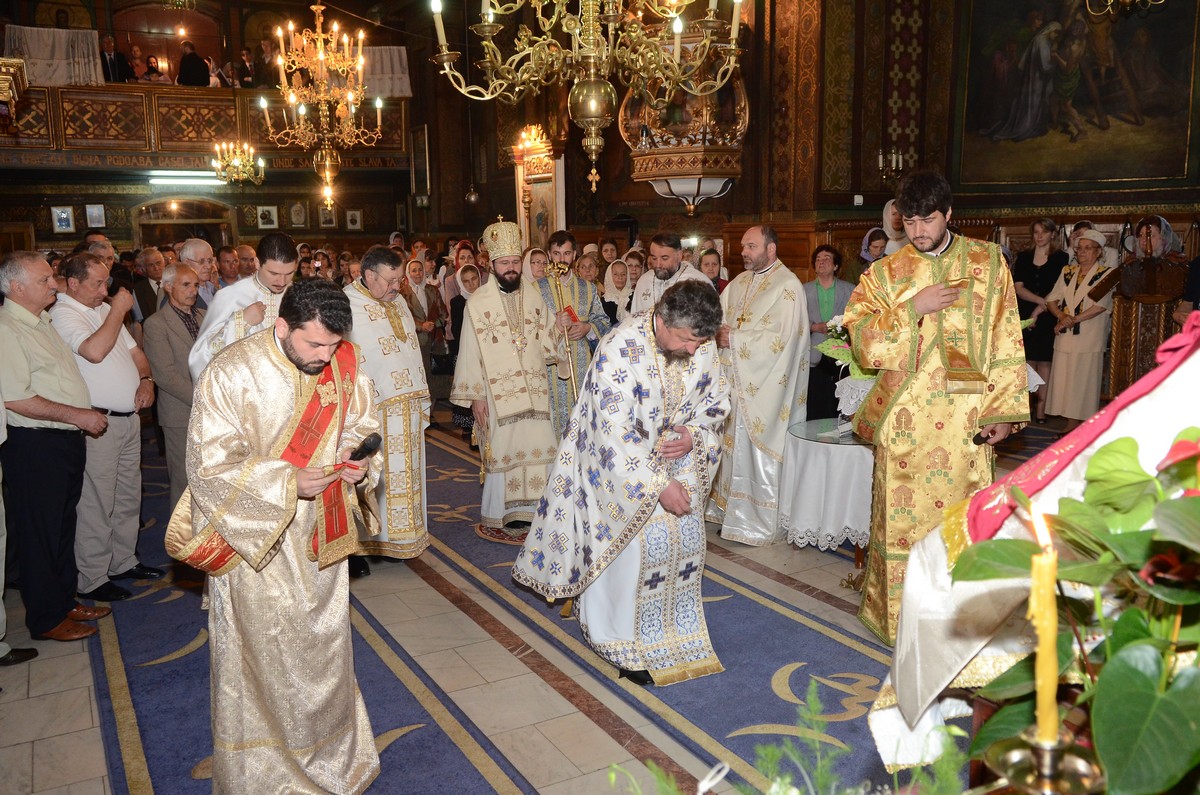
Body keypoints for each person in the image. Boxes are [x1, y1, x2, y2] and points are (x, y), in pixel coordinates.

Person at [167, 278, 379, 792]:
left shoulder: (342, 361)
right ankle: (266, 776)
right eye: (314, 345)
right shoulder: (231, 373)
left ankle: (334, 760)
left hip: (319, 537)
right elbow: (208, 468)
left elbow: (361, 422)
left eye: (334, 345)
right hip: (256, 544)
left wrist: (359, 463)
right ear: (281, 326)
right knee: (265, 656)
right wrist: (287, 481)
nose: (327, 357)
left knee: (323, 651)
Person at [512, 281, 731, 686]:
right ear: (662, 321)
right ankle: (618, 637)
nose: (693, 350)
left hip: (680, 462)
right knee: (629, 558)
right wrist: (656, 484)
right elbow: (609, 432)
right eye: (686, 340)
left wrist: (694, 435)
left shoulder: (700, 343)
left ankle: (670, 632)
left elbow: (716, 403)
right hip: (620, 475)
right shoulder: (619, 347)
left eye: (701, 343)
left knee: (680, 550)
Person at [842, 171, 1029, 645]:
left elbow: (1007, 338)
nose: (919, 230)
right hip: (906, 422)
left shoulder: (987, 262)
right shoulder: (887, 272)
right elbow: (861, 337)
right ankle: (900, 618)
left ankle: (960, 618)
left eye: (928, 219)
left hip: (965, 420)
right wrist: (912, 308)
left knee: (963, 520)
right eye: (910, 220)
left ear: (949, 215)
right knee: (902, 521)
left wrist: (1003, 412)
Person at [0, 252, 111, 642]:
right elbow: (16, 398)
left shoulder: (40, 320)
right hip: (35, 444)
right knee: (40, 533)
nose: (55, 285)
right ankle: (45, 618)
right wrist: (78, 415)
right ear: (17, 287)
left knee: (63, 526)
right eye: (46, 280)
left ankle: (63, 600)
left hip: (61, 440)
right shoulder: (7, 329)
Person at [50, 253, 162, 602]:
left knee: (128, 495)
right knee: (97, 501)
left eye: (106, 282)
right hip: (97, 422)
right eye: (97, 283)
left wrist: (146, 379)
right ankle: (93, 576)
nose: (105, 289)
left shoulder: (100, 308)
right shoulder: (63, 314)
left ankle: (123, 560)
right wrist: (118, 310)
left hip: (129, 418)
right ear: (73, 283)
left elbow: (135, 353)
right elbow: (94, 352)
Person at [450, 221, 564, 545]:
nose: (511, 269)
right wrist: (475, 397)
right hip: (497, 395)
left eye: (515, 262)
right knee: (505, 452)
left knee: (539, 450)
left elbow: (546, 342)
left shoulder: (534, 296)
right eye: (505, 264)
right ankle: (502, 513)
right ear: (492, 264)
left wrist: (559, 328)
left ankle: (536, 513)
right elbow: (469, 352)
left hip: (535, 392)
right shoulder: (477, 302)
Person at [706, 226, 809, 546]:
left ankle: (755, 520)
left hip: (763, 388)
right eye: (742, 246)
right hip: (733, 385)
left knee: (752, 447)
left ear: (771, 249)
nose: (744, 252)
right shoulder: (738, 283)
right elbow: (717, 319)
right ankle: (725, 510)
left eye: (751, 246)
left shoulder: (788, 286)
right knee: (727, 446)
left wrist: (732, 339)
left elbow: (783, 339)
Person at [344, 246, 431, 567]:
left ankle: (405, 538)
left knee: (406, 476)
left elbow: (408, 350)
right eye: (392, 280)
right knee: (375, 476)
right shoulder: (348, 304)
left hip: (405, 409)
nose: (398, 286)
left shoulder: (397, 301)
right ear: (368, 275)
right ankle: (372, 542)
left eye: (400, 279)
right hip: (372, 411)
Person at [189, 232, 298, 380]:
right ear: (258, 263)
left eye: (289, 273)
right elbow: (200, 357)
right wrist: (240, 323)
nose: (281, 281)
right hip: (246, 392)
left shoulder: (299, 296)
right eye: (273, 273)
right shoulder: (229, 297)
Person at [143, 263, 205, 510]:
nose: (193, 291)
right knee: (183, 478)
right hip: (181, 411)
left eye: (196, 285)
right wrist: (204, 400)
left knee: (208, 474)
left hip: (211, 407)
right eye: (186, 285)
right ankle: (183, 541)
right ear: (168, 287)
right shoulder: (156, 324)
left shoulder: (203, 316)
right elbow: (165, 375)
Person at [538, 230, 611, 438]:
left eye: (567, 253)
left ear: (575, 255)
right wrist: (555, 327)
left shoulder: (588, 288)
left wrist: (587, 328)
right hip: (549, 369)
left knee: (582, 421)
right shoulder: (537, 288)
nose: (562, 259)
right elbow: (531, 330)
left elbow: (603, 322)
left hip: (581, 364)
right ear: (549, 254)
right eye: (557, 253)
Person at [1044, 229, 1113, 433]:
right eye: (1079, 248)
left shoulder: (1107, 274)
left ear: (1099, 251)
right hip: (1066, 335)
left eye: (1088, 248)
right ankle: (1070, 421)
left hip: (1089, 335)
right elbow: (1051, 299)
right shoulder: (1068, 272)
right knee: (1065, 380)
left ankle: (1081, 424)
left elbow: (1100, 306)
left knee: (1084, 379)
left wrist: (1070, 320)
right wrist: (1061, 317)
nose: (1082, 252)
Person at [1012, 218, 1069, 424]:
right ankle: (1025, 408)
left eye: (1044, 232)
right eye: (1036, 232)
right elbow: (1018, 287)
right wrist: (1036, 304)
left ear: (1052, 234)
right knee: (1027, 362)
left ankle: (1041, 410)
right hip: (1026, 312)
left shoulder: (1061, 258)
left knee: (1045, 362)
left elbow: (1060, 290)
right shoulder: (1024, 257)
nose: (1039, 236)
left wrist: (1040, 309)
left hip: (1049, 314)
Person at [803, 244, 856, 421]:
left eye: (827, 259)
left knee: (837, 405)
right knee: (814, 403)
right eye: (818, 259)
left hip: (840, 355)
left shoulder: (849, 289)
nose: (821, 262)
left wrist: (842, 326)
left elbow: (857, 317)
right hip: (813, 354)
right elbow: (794, 319)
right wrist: (812, 327)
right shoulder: (803, 290)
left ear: (835, 266)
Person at [630, 233, 714, 315]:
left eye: (664, 258)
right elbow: (634, 320)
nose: (658, 265)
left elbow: (710, 322)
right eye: (654, 258)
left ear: (679, 255)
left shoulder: (699, 282)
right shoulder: (644, 281)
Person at [401, 256, 447, 381]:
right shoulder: (402, 294)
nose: (417, 273)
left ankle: (435, 400)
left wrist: (433, 324)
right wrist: (421, 326)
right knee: (418, 375)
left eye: (420, 270)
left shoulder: (433, 290)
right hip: (414, 341)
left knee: (436, 379)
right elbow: (402, 318)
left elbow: (444, 314)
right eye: (414, 270)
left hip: (434, 340)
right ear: (408, 273)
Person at [448, 264, 481, 440]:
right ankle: (468, 426)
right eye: (466, 281)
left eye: (474, 279)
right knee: (468, 387)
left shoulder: (488, 298)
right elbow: (457, 328)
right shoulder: (458, 302)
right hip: (466, 349)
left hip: (486, 351)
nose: (471, 284)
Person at [601, 258, 631, 324]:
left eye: (623, 274)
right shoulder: (603, 301)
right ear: (609, 276)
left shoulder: (633, 296)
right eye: (615, 274)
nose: (620, 277)